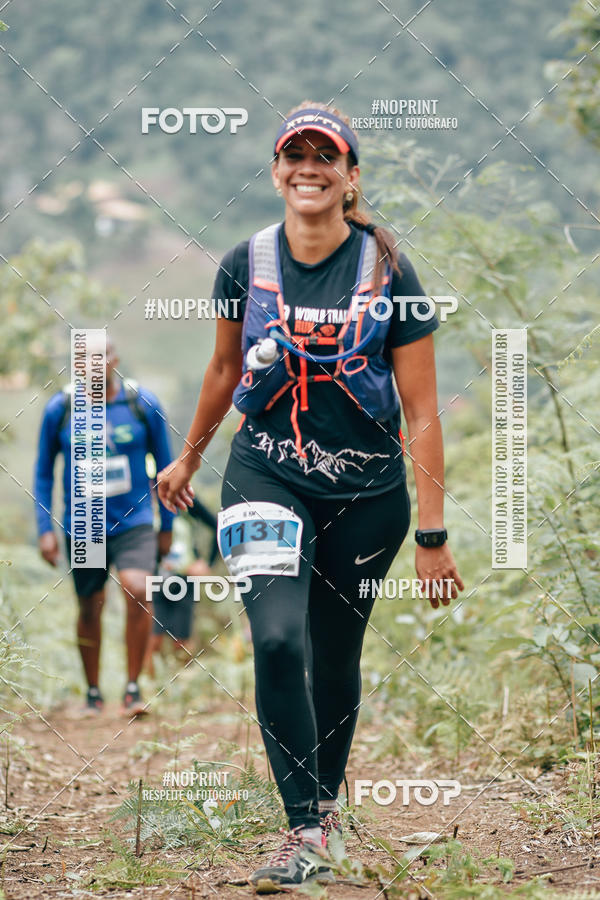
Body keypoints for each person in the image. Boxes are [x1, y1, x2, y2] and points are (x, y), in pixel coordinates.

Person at [158, 101, 464, 887]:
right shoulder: (245, 261)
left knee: (334, 651)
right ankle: (302, 828)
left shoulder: (389, 271)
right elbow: (224, 370)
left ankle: (326, 809)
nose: (308, 168)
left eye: (325, 156)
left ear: (350, 177)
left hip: (367, 495)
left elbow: (423, 411)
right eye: (294, 154)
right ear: (275, 172)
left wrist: (433, 535)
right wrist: (190, 459)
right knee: (277, 640)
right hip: (264, 473)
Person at [34, 337, 175, 716]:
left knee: (138, 589)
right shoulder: (61, 409)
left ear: (116, 359)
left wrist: (168, 524)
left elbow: (168, 467)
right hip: (84, 525)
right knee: (89, 606)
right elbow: (44, 473)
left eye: (103, 356)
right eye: (86, 358)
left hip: (135, 522)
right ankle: (93, 694)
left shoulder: (141, 404)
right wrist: (44, 528)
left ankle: (132, 689)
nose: (95, 364)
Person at [144, 496, 219, 675]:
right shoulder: (142, 498)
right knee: (153, 639)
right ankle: (148, 684)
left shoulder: (185, 498)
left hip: (184, 579)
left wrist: (206, 564)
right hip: (155, 579)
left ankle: (181, 683)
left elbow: (217, 526)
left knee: (182, 641)